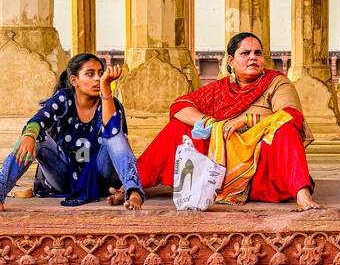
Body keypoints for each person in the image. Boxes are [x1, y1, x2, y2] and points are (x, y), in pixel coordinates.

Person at [138, 31, 317, 210]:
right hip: (220, 170)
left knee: (286, 129)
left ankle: (302, 194)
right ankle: (133, 184)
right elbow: (180, 106)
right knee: (178, 127)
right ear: (231, 61)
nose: (253, 57)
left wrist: (247, 120)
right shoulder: (220, 88)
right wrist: (212, 124)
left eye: (258, 53)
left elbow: (291, 114)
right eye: (245, 53)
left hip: (261, 170)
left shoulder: (276, 82)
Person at [0, 53, 143, 210]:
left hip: (101, 178)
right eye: (90, 74)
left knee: (115, 136)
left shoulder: (110, 103)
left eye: (100, 74)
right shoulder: (64, 99)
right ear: (74, 80)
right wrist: (28, 135)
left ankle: (134, 192)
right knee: (34, 138)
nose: (97, 79)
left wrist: (106, 89)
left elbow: (114, 137)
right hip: (64, 176)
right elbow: (38, 120)